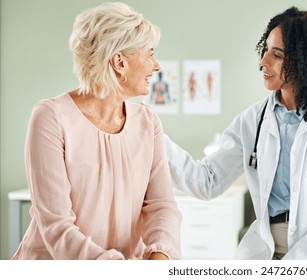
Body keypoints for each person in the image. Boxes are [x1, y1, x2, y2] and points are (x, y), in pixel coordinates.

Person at [164, 7, 307, 259]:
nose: (263, 61)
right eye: (266, 50)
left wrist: (291, 267)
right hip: (266, 248)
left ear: (306, 62)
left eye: (277, 55)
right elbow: (208, 181)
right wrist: (152, 135)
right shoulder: (254, 119)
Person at [12, 2, 181, 260]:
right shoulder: (51, 117)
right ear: (119, 62)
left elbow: (162, 206)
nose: (156, 65)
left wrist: (160, 257)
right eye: (149, 54)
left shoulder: (148, 122)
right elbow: (56, 226)